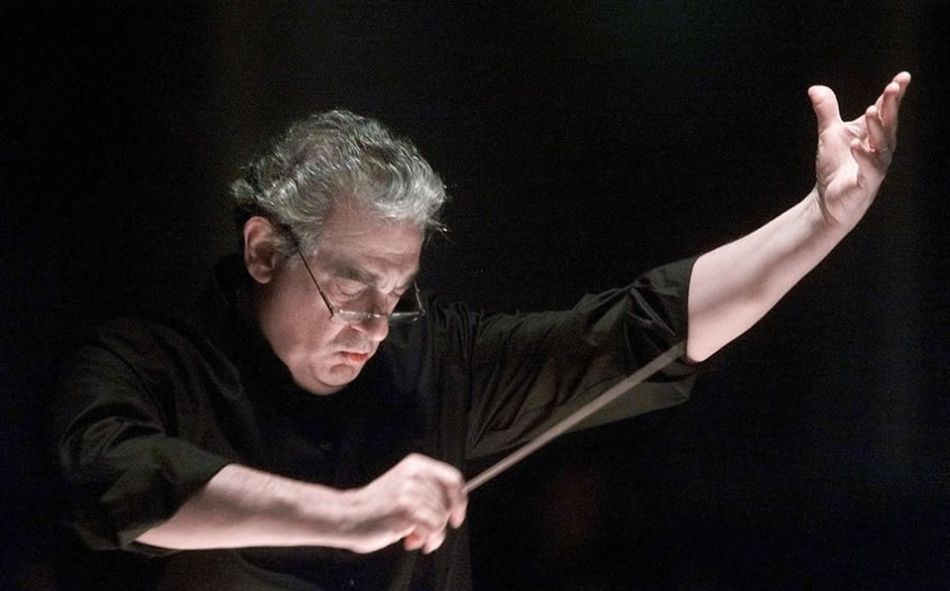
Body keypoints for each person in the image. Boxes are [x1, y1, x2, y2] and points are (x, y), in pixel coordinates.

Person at [52, 72, 911, 590]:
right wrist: (349, 515)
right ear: (264, 249)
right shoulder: (138, 366)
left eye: (399, 291)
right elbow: (117, 483)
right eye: (351, 286)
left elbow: (645, 329)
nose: (376, 325)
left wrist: (820, 221)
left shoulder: (435, 359)